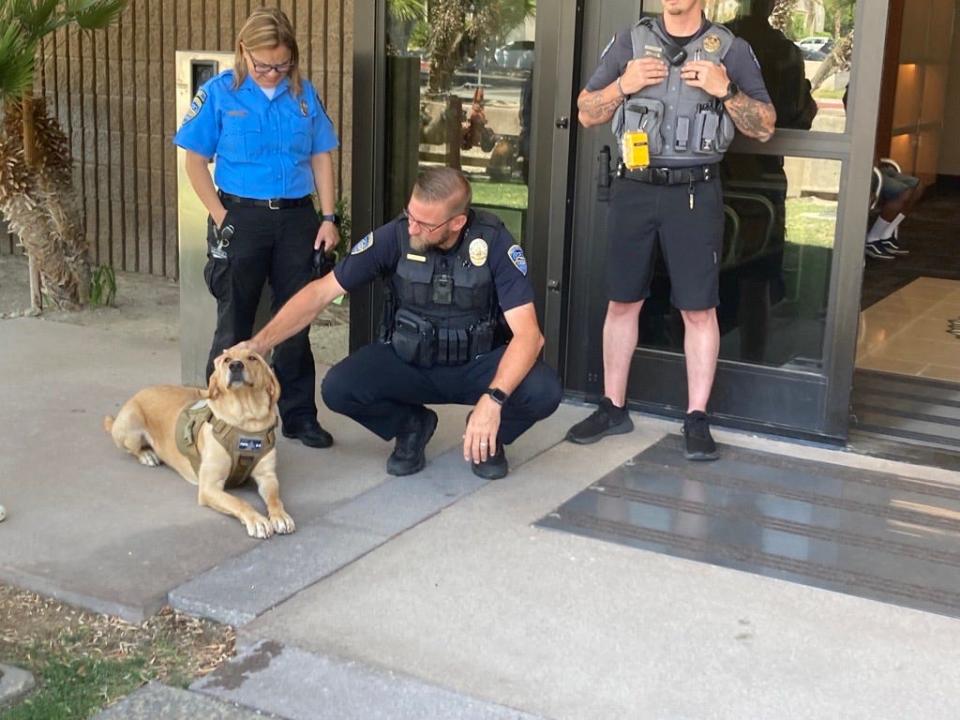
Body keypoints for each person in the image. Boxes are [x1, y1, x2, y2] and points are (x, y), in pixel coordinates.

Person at [231, 168, 562, 480]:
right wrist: (259, 344)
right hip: (410, 359)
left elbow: (529, 337)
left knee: (543, 390)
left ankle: (488, 437)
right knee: (339, 387)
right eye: (411, 215)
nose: (412, 228)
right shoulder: (396, 235)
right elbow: (320, 293)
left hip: (477, 365)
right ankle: (411, 426)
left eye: (424, 223)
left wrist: (493, 402)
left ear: (457, 221)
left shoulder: (493, 243)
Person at [565, 0, 776, 460]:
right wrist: (625, 83)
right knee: (622, 301)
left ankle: (696, 417)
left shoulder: (731, 49)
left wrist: (727, 89)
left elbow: (763, 127)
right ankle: (613, 407)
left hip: (695, 193)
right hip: (634, 188)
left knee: (699, 309)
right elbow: (585, 111)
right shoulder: (629, 43)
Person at [173, 7, 339, 449]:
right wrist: (222, 216)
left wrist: (328, 217)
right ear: (243, 51)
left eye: (281, 65)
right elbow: (194, 161)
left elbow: (322, 155)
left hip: (297, 218)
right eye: (263, 64)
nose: (271, 73)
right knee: (234, 321)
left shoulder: (304, 96)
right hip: (240, 215)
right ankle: (214, 417)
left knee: (295, 320)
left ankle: (299, 417)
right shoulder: (220, 94)